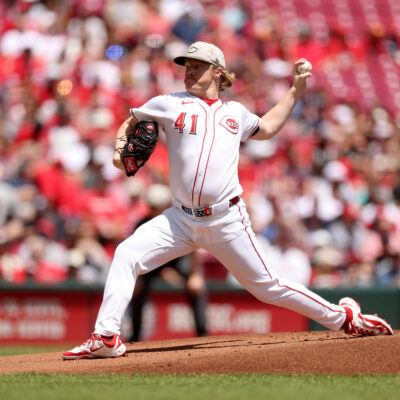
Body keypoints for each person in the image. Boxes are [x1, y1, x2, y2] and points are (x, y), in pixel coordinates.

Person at [63, 41, 393, 360]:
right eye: (186, 66)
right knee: (127, 253)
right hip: (179, 219)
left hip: (225, 219)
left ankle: (345, 318)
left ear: (218, 72)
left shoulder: (235, 112)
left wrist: (295, 92)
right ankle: (106, 337)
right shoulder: (169, 103)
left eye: (197, 66)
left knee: (267, 287)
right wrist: (120, 153)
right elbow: (132, 119)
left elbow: (266, 128)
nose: (189, 72)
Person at [128, 183, 207, 342]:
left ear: (167, 205)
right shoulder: (141, 224)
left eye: (158, 206)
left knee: (196, 286)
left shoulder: (180, 222)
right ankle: (135, 336)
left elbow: (193, 251)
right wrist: (135, 278)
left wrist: (195, 275)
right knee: (136, 288)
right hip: (151, 265)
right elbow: (134, 255)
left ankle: (202, 334)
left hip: (177, 262)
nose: (155, 210)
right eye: (152, 206)